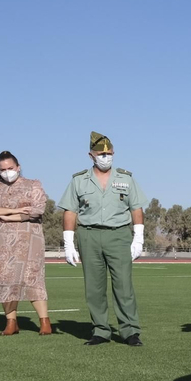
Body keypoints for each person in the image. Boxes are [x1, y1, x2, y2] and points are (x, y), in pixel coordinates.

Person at [60, 132, 146, 346]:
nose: (105, 157)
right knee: (94, 287)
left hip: (118, 234)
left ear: (114, 153)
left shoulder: (126, 178)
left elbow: (137, 208)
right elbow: (70, 211)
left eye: (109, 153)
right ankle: (100, 330)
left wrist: (139, 237)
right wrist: (68, 242)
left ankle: (130, 331)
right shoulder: (79, 180)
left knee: (124, 285)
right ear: (91, 155)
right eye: (101, 153)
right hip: (89, 234)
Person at [0, 151, 52, 336]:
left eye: (10, 168)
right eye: (3, 169)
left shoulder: (33, 184)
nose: (7, 172)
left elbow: (37, 209)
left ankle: (44, 321)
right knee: (6, 279)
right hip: (1, 241)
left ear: (18, 167)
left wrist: (5, 215)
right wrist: (16, 210)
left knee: (32, 278)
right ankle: (11, 322)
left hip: (29, 239)